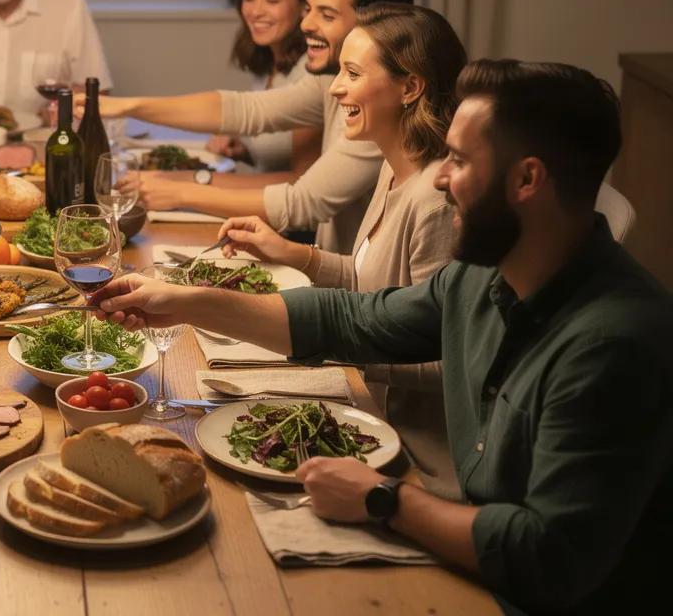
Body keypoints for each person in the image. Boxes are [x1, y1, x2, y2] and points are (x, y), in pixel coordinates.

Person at [91, 60, 671, 614]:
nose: (441, 181)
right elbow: (353, 320)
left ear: (527, 179)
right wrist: (188, 304)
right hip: (468, 558)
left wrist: (384, 499)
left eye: (460, 161)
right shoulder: (485, 273)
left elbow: (547, 557)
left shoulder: (614, 343)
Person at [218, 3, 467, 496]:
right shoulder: (394, 163)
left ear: (410, 87)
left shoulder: (436, 200)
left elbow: (450, 362)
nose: (335, 88)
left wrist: (339, 349)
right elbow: (373, 286)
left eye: (352, 74)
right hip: (365, 411)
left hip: (416, 454)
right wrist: (292, 252)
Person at [101, 0, 414, 254]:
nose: (306, 24)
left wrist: (181, 190)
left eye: (327, 15)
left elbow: (302, 202)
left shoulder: (382, 111)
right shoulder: (329, 80)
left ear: (375, 26)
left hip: (347, 294)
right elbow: (245, 110)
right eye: (309, 10)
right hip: (332, 274)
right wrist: (126, 105)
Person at [207, 0, 323, 176]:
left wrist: (192, 184)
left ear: (304, 7)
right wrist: (245, 152)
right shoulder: (270, 62)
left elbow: (303, 188)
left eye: (272, 0)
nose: (255, 11)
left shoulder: (311, 73)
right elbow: (278, 162)